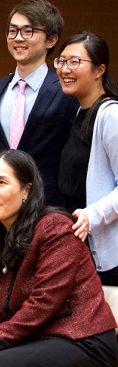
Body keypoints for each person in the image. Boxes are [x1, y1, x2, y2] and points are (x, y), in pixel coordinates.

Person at [0, 150, 118, 367]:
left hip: (82, 341)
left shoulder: (55, 228)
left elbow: (43, 302)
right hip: (32, 338)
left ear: (26, 190)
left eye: (1, 182)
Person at [0, 0, 77, 206]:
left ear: (51, 40)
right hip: (2, 208)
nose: (18, 38)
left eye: (28, 31)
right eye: (12, 31)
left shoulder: (65, 90)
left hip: (49, 206)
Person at [56, 31, 118, 285]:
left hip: (108, 253)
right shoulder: (79, 112)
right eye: (61, 61)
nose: (65, 69)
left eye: (75, 62)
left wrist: (92, 215)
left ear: (99, 70)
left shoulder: (110, 115)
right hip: (81, 247)